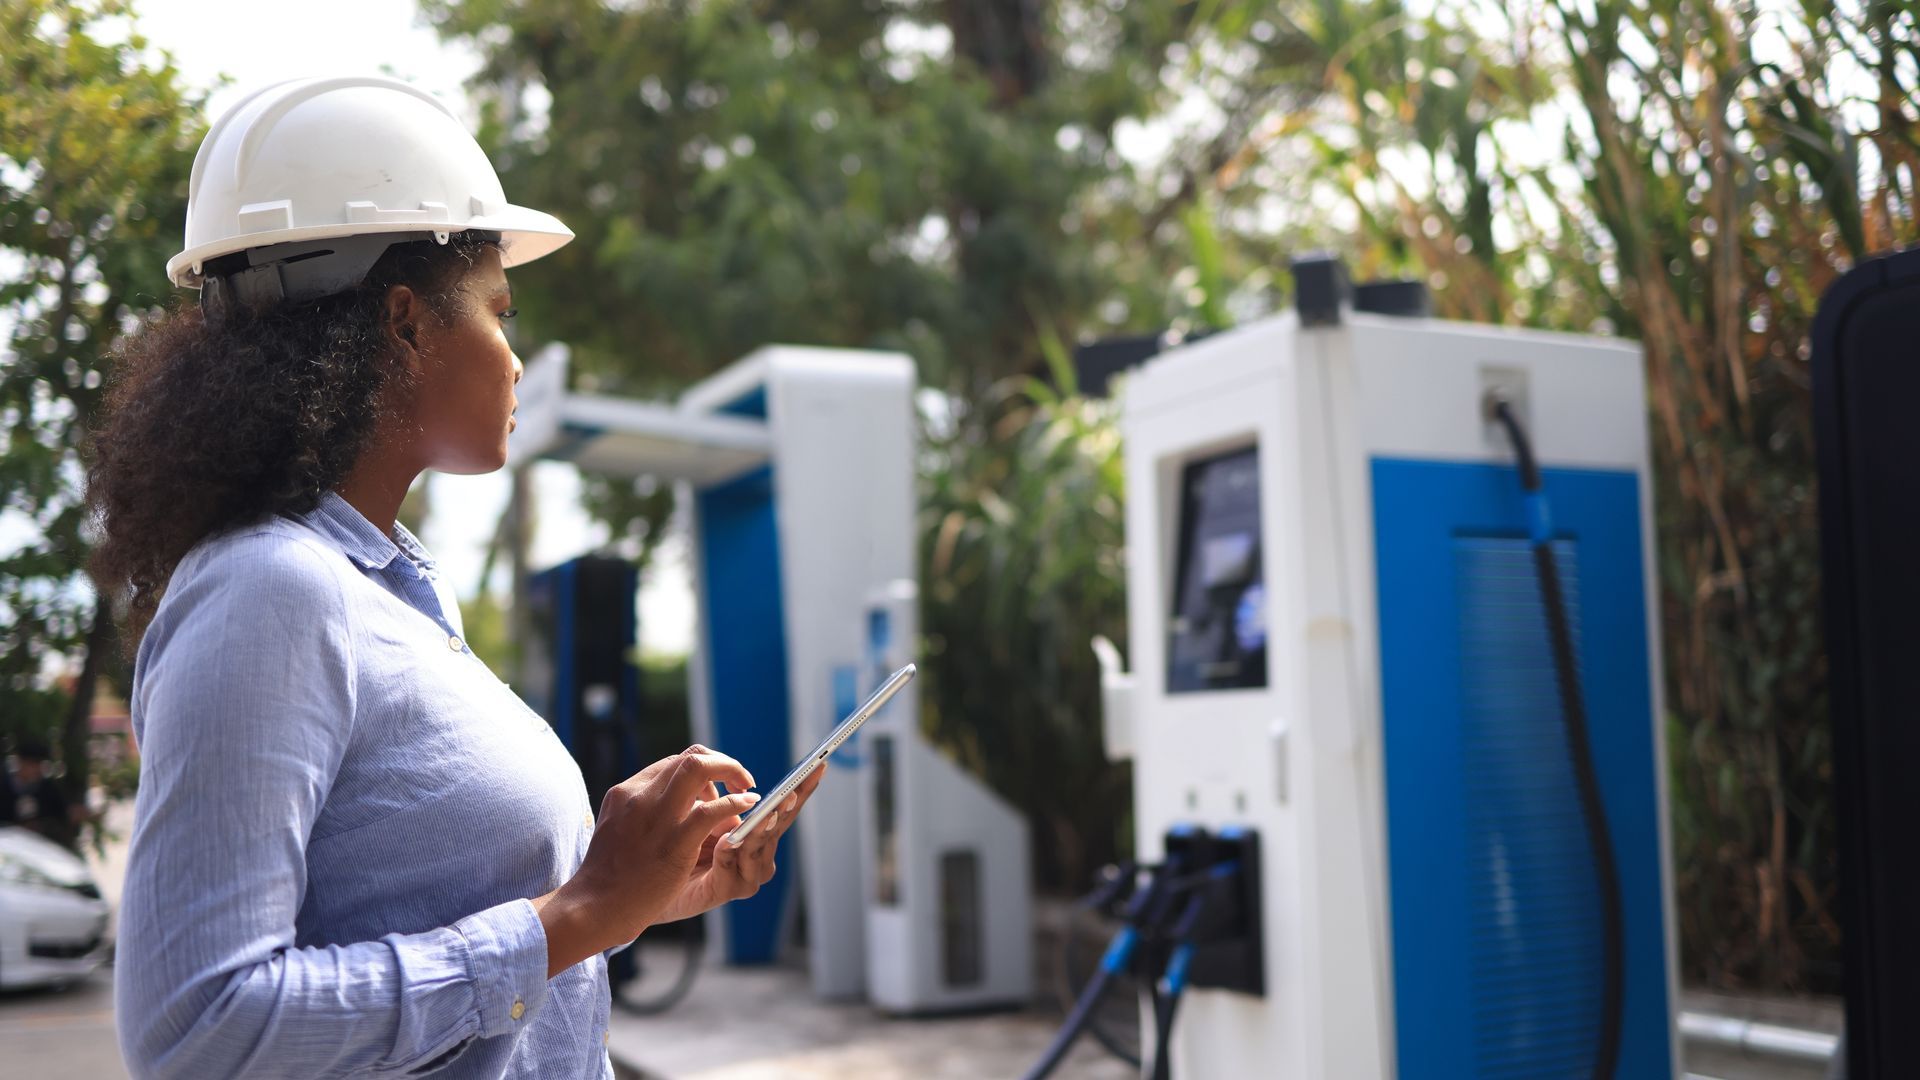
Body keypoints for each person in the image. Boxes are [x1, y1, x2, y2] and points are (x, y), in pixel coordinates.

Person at [88, 75, 820, 1079]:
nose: (515, 360)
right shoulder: (270, 591)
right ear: (407, 324)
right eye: (497, 309)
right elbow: (200, 1029)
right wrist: (577, 911)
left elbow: (434, 924)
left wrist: (643, 895)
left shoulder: (386, 590)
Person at [8, 743, 76, 850]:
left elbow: (63, 814)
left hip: (41, 849)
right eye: (32, 764)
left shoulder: (48, 788)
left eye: (40, 765)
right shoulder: (4, 785)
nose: (36, 770)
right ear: (20, 762)